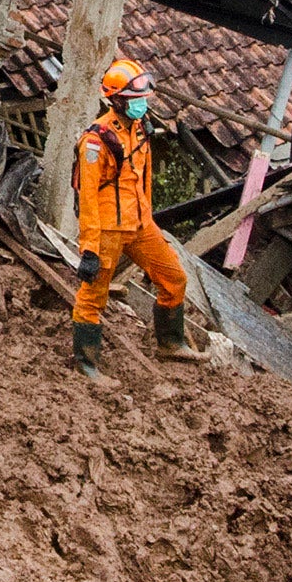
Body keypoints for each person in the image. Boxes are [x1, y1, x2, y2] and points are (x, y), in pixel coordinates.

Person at [69, 58, 198, 378]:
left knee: (174, 279)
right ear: (116, 100)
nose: (141, 105)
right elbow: (87, 197)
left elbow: (145, 178)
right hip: (108, 228)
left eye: (142, 100)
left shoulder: (140, 130)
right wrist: (89, 248)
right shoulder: (96, 141)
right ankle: (86, 362)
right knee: (93, 296)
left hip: (140, 224)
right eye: (134, 100)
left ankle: (170, 342)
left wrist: (149, 218)